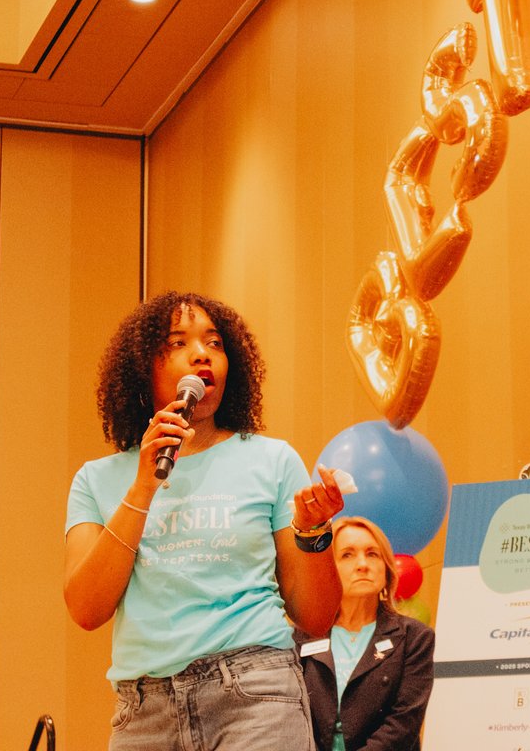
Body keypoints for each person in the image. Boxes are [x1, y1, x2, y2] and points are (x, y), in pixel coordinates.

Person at [63, 291, 346, 751]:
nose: (202, 354)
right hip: (144, 713)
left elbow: (316, 616)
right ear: (141, 368)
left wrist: (314, 532)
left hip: (255, 697)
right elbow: (86, 609)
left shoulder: (271, 460)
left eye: (214, 343)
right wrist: (142, 488)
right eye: (178, 343)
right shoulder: (97, 479)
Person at [297, 516, 435, 751]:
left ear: (386, 569)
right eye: (347, 555)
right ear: (328, 569)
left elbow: (403, 724)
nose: (362, 564)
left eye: (372, 554)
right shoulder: (301, 637)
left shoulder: (415, 638)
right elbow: (292, 714)